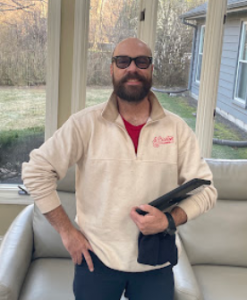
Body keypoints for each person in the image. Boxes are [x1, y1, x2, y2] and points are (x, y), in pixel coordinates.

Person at [22, 37, 217, 300]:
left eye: (142, 61)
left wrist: (170, 219)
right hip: (96, 259)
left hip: (155, 262)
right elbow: (36, 172)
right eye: (123, 61)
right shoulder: (84, 125)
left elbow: (206, 191)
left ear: (151, 69)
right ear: (111, 69)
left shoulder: (177, 129)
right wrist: (67, 233)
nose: (132, 69)